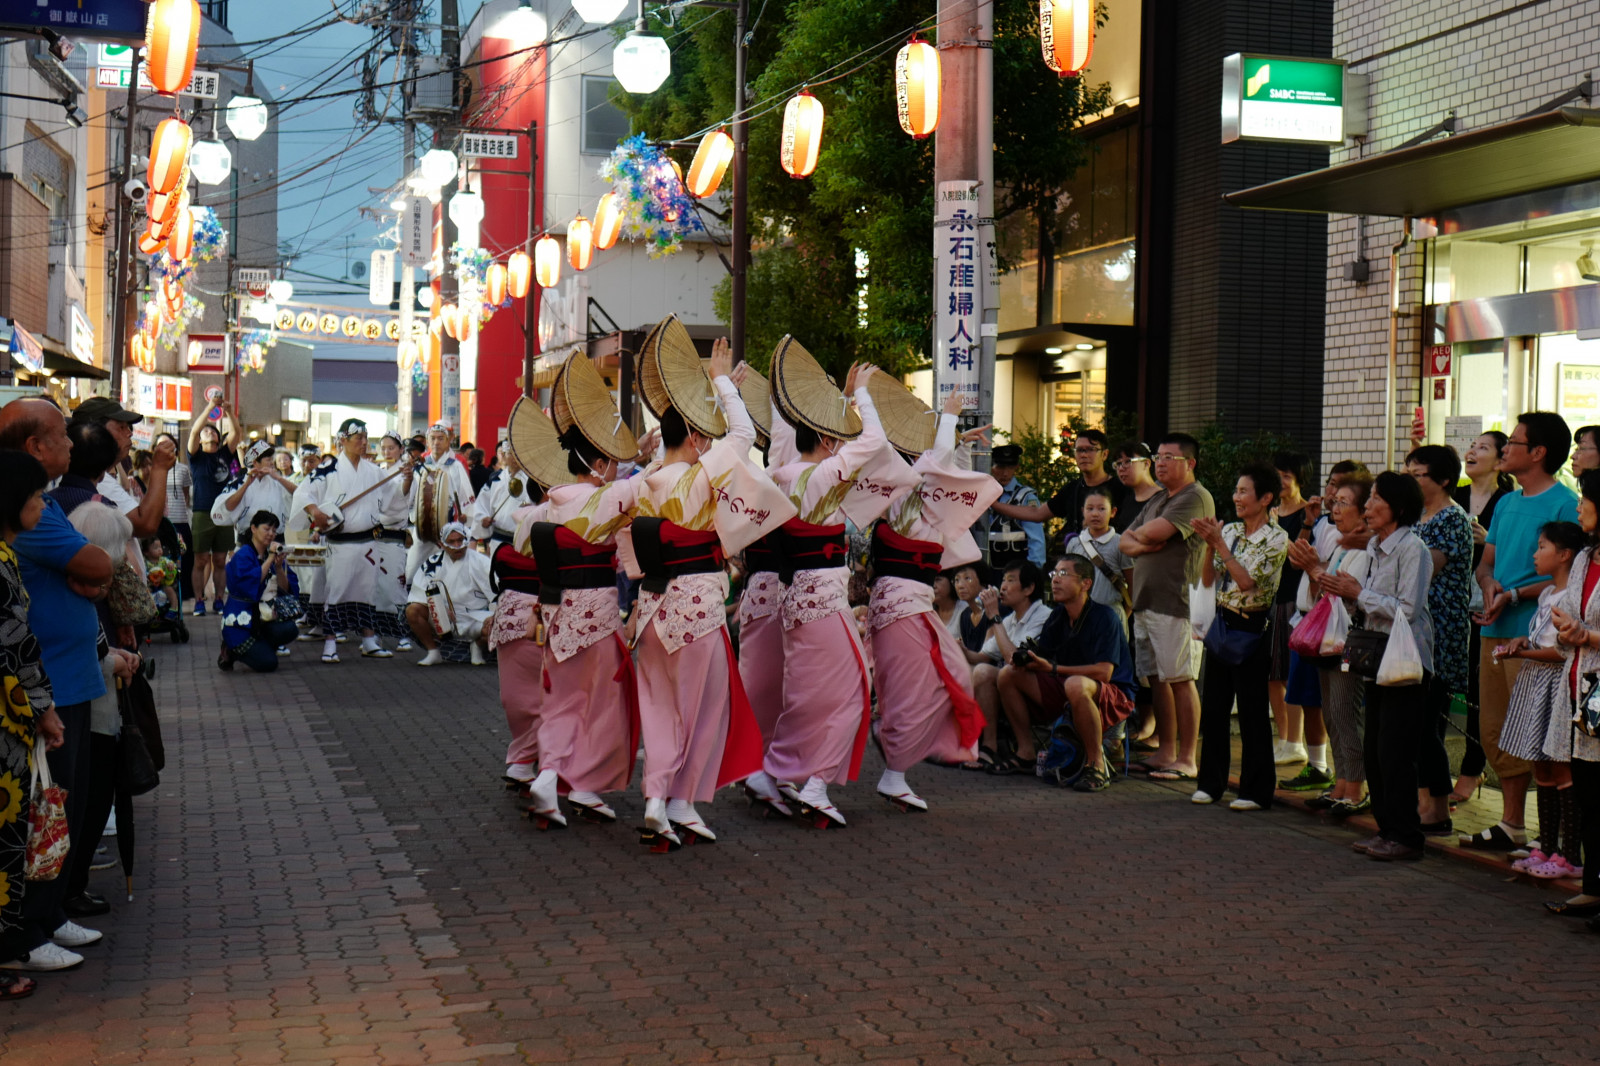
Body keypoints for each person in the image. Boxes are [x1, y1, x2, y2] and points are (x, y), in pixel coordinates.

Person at [626, 331, 782, 842]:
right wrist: (721, 383)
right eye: (703, 438)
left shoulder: (643, 482)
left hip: (651, 609)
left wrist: (717, 391)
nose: (709, 445)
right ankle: (673, 799)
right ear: (695, 439)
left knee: (663, 708)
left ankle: (667, 800)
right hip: (696, 610)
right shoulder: (697, 477)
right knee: (702, 708)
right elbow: (742, 435)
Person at [752, 346, 893, 827]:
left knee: (807, 694)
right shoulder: (827, 471)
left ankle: (773, 773)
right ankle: (811, 783)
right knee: (853, 688)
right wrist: (862, 397)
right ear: (829, 440)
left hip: (795, 595)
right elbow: (873, 440)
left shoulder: (777, 476)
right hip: (823, 595)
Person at [0, 401, 114, 971]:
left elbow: (93, 568)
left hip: (66, 679)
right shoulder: (26, 512)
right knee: (46, 805)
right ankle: (30, 926)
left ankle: (49, 914)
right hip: (43, 689)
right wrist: (90, 572)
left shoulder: (40, 506)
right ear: (33, 450)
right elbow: (95, 564)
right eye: (60, 437)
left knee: (65, 803)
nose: (71, 445)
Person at [519, 351, 650, 830]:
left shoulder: (549, 503)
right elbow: (647, 488)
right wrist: (646, 456)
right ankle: (578, 781)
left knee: (562, 700)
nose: (615, 468)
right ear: (596, 463)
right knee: (604, 698)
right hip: (595, 613)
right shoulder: (605, 498)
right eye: (610, 461)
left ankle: (555, 776)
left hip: (558, 612)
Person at [863, 384, 999, 810]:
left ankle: (893, 765)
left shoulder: (898, 492)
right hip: (903, 605)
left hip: (897, 602)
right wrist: (950, 416)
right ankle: (889, 766)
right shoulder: (910, 488)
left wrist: (952, 434)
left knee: (933, 680)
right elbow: (936, 464)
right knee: (928, 683)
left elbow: (940, 465)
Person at [1470, 412, 1579, 852]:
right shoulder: (1507, 502)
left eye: (1514, 442)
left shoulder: (1565, 503)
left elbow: (1566, 575)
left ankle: (1551, 841)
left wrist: (1513, 596)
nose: (1506, 449)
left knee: (1534, 733)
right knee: (1494, 726)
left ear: (1538, 453)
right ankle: (1511, 823)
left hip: (1538, 640)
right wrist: (1489, 583)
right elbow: (1487, 562)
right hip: (1494, 629)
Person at [1326, 472, 1434, 863]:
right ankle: (1387, 829)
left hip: (1405, 660)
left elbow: (1409, 609)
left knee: (1396, 751)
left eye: (1376, 500)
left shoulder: (1413, 549)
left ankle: (1407, 835)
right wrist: (1347, 595)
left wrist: (1361, 594)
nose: (1367, 507)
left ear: (1398, 509)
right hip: (1375, 656)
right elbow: (1368, 602)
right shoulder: (1374, 545)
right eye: (1369, 499)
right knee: (1374, 747)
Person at [0, 450, 68, 989]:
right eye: (35, 498)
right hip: (6, 723)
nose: (42, 506)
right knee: (6, 837)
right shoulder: (1, 560)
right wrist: (44, 709)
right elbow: (18, 648)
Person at [1190, 464, 1289, 810]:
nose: (1236, 497)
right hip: (1222, 623)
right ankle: (1210, 784)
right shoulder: (1229, 529)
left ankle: (1256, 791)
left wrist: (1219, 544)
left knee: (1252, 712)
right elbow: (1209, 578)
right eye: (1236, 490)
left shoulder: (1277, 538)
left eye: (1244, 491)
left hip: (1252, 626)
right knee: (1215, 708)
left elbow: (1248, 583)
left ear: (1265, 498)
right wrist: (1209, 546)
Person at [995, 556, 1138, 792]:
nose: (1055, 581)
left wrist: (1051, 669)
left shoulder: (1105, 617)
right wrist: (1029, 661)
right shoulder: (1058, 616)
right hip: (1070, 686)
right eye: (1054, 575)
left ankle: (1096, 765)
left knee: (1075, 684)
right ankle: (1025, 753)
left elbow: (1104, 672)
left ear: (1085, 584)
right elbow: (1047, 659)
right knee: (1007, 675)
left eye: (1064, 575)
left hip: (1114, 694)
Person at [1119, 432, 1215, 782]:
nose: (1159, 462)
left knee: (1180, 679)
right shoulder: (1159, 498)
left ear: (1189, 463)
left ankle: (1187, 757)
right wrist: (1142, 543)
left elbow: (1152, 533)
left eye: (1168, 457)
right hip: (1147, 601)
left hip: (1177, 602)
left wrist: (1142, 540)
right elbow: (1125, 541)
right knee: (1158, 679)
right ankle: (1166, 752)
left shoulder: (1195, 497)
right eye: (1157, 456)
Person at [1496, 520, 1586, 879]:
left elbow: (1562, 652)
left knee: (1561, 766)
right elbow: (1542, 641)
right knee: (1542, 767)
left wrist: (1521, 655)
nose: (1535, 554)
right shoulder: (1549, 593)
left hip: (1556, 687)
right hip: (1536, 686)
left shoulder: (1572, 598)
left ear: (1565, 555)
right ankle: (1546, 846)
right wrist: (1522, 642)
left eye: (1543, 547)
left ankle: (1570, 856)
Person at [1289, 472, 1375, 815]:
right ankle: (1341, 782)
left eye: (1344, 503)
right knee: (1331, 711)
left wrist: (1314, 568)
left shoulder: (1365, 550)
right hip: (1329, 639)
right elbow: (1320, 593)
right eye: (1334, 501)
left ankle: (1355, 787)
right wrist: (1313, 568)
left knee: (1344, 710)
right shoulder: (1340, 544)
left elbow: (1345, 591)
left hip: (1349, 640)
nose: (1335, 509)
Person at [298, 419, 411, 663]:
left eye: (365, 437)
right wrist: (315, 512)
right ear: (343, 441)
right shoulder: (329, 470)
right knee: (336, 592)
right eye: (358, 438)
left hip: (368, 541)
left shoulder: (374, 471)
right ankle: (330, 642)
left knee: (367, 591)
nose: (363, 442)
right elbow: (303, 492)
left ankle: (369, 640)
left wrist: (408, 479)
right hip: (340, 543)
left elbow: (395, 497)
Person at [1405, 444, 1474, 837]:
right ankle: (1422, 802)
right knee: (1414, 723)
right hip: (1411, 630)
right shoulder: (1415, 516)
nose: (1411, 480)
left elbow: (1422, 569)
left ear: (1444, 479)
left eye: (1419, 475)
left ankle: (1439, 808)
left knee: (1427, 723)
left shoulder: (1452, 519)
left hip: (1438, 634)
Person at [1547, 470, 1600, 924]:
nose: (1579, 507)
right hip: (1579, 689)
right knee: (1588, 795)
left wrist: (1587, 635)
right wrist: (1568, 631)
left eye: (1587, 500)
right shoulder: (1584, 557)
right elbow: (1569, 614)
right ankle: (1592, 888)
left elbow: (1587, 628)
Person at [1449, 431, 1511, 803]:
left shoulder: (1506, 501)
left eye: (1482, 447)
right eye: (1472, 446)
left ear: (1501, 461)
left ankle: (1472, 770)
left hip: (1486, 607)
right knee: (1441, 687)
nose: (1472, 451)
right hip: (1449, 604)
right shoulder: (1454, 497)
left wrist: (1489, 540)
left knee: (1477, 692)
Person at [969, 560, 1052, 773]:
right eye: (1003, 580)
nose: (1002, 587)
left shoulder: (1043, 616)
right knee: (979, 671)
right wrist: (954, 647)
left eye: (1010, 581)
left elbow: (1015, 658)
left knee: (999, 671)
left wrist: (994, 617)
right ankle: (989, 746)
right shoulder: (1010, 619)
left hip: (1036, 689)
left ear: (1029, 588)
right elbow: (981, 658)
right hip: (1011, 688)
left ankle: (1021, 750)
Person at [1266, 451, 1318, 769]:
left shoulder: (1307, 515)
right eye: (1277, 476)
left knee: (1290, 673)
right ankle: (1284, 739)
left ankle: (1295, 741)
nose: (1281, 482)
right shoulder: (1270, 511)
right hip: (1271, 597)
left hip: (1295, 599)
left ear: (1299, 478)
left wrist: (1276, 529)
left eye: (1286, 475)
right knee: (1272, 675)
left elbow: (1296, 555)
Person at [990, 429, 1130, 543]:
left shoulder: (1121, 488)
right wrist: (994, 504)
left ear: (1104, 454)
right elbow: (1037, 513)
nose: (1084, 455)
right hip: (1077, 560)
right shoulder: (1072, 489)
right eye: (1080, 450)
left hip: (1112, 559)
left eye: (1090, 449)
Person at [71, 397, 177, 541]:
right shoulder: (99, 481)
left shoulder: (101, 475)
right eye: (121, 427)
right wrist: (159, 469)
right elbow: (144, 524)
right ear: (96, 433)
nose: (129, 433)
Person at [218, 511, 301, 673]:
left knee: (291, 629)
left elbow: (285, 589)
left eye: (274, 530)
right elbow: (251, 584)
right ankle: (231, 649)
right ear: (253, 529)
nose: (271, 534)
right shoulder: (243, 555)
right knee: (269, 663)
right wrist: (270, 558)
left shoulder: (270, 555)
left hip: (262, 619)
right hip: (240, 624)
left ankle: (260, 646)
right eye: (267, 529)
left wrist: (278, 566)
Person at [406, 522, 494, 667]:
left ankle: (477, 646)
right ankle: (433, 651)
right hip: (443, 618)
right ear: (442, 544)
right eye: (452, 541)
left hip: (475, 619)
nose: (457, 545)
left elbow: (498, 593)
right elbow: (420, 592)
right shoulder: (433, 562)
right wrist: (438, 608)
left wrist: (493, 615)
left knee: (499, 624)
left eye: (460, 540)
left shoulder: (481, 562)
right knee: (412, 610)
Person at [186, 402, 241, 615]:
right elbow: (193, 431)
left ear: (219, 438)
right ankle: (199, 600)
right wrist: (209, 408)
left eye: (212, 430)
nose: (208, 432)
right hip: (202, 511)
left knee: (220, 559)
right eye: (205, 431)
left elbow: (236, 432)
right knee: (200, 559)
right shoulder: (196, 456)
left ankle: (219, 598)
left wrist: (228, 411)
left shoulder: (226, 454)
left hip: (224, 513)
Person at [402, 423, 476, 582]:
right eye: (433, 438)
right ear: (427, 442)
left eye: (441, 439)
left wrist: (465, 517)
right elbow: (411, 495)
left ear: (448, 441)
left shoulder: (455, 466)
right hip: (421, 526)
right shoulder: (420, 465)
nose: (436, 442)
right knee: (413, 567)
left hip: (446, 524)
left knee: (445, 571)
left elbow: (465, 495)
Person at [1063, 485, 1133, 631]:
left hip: (1111, 615)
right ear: (1083, 511)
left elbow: (1133, 587)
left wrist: (1122, 618)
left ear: (1113, 512)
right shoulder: (1074, 544)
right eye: (1090, 509)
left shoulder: (1120, 544)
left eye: (1101, 509)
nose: (1095, 514)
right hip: (1079, 618)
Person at [213, 440, 297, 539]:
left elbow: (299, 494)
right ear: (255, 462)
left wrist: (279, 478)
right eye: (268, 460)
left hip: (275, 539)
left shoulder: (278, 482)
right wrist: (246, 485)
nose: (272, 463)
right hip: (248, 539)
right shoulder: (239, 483)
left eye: (272, 460)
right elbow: (227, 507)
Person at [984, 443, 1044, 570]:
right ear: (991, 467)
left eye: (1010, 467)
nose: (1005, 473)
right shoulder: (982, 494)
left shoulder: (1026, 497)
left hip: (1016, 571)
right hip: (986, 569)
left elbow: (1036, 539)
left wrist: (1033, 570)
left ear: (1016, 467)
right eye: (1000, 467)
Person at [470, 440, 536, 551]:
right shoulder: (495, 480)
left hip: (522, 540)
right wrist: (483, 518)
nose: (514, 458)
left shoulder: (532, 482)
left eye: (518, 453)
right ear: (504, 456)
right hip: (498, 540)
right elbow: (481, 504)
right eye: (510, 453)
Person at [157, 431, 193, 611]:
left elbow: (186, 494)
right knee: (161, 556)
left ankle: (184, 592)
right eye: (160, 444)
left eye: (168, 444)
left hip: (180, 518)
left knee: (183, 557)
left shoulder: (183, 469)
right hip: (160, 520)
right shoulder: (154, 468)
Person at [952, 564, 992, 654]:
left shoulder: (994, 611)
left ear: (983, 582)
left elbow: (987, 656)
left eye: (967, 579)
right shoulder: (965, 615)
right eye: (957, 580)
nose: (960, 586)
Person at [932, 571, 966, 642]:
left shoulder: (965, 610)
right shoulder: (928, 611)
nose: (933, 586)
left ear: (952, 582)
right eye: (931, 580)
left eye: (938, 580)